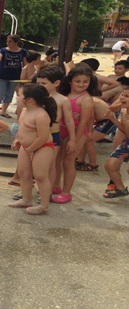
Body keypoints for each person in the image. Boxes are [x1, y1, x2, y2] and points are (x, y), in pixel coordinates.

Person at [9, 84, 58, 214]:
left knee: (40, 176)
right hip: (26, 147)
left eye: (20, 95)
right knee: (24, 174)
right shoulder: (24, 110)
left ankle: (44, 205)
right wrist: (17, 139)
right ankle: (26, 199)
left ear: (30, 100)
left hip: (42, 148)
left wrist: (31, 149)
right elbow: (22, 127)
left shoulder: (41, 115)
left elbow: (43, 137)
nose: (17, 97)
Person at [52, 64, 97, 204]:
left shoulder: (86, 99)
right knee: (56, 160)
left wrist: (74, 140)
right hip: (61, 130)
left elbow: (84, 122)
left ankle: (66, 192)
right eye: (78, 81)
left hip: (78, 133)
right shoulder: (65, 94)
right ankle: (55, 186)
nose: (81, 84)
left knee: (68, 161)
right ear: (70, 81)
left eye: (85, 81)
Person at [35, 67, 76, 195]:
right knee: (33, 163)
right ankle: (33, 187)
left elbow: (69, 121)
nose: (40, 86)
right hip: (35, 134)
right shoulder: (35, 97)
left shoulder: (63, 100)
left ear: (56, 83)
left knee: (51, 163)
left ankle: (48, 190)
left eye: (43, 83)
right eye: (38, 83)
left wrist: (72, 139)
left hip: (52, 135)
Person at [0, 34, 28, 118]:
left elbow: (25, 64)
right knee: (0, 92)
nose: (8, 43)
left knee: (10, 93)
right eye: (7, 41)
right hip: (1, 75)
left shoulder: (23, 51)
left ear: (16, 42)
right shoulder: (3, 50)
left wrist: (25, 74)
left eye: (10, 41)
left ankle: (3, 111)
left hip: (15, 76)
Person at [102, 89, 129, 198]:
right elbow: (124, 130)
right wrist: (113, 119)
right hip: (127, 142)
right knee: (110, 165)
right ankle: (121, 189)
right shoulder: (124, 111)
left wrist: (125, 121)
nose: (121, 98)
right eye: (122, 95)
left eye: (126, 96)